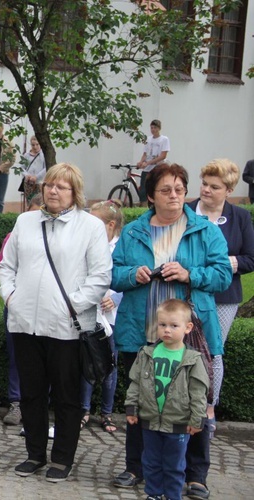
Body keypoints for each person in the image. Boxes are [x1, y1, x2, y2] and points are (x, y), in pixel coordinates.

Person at [110, 163, 231, 499]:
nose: (175, 195)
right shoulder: (134, 231)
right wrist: (133, 274)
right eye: (166, 190)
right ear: (151, 195)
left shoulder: (205, 231)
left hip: (188, 338)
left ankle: (195, 475)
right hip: (142, 332)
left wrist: (190, 273)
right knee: (141, 401)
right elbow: (114, 273)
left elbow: (222, 275)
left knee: (193, 400)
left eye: (179, 188)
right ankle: (135, 467)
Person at [0, 163, 112, 482]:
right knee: (32, 393)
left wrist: (71, 305)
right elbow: (7, 265)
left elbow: (101, 275)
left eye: (61, 186)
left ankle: (62, 458)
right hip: (25, 324)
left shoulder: (89, 226)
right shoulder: (25, 221)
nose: (52, 190)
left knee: (66, 395)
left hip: (67, 327)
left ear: (75, 193)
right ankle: (34, 454)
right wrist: (11, 298)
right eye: (49, 184)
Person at [188, 159, 254, 431]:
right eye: (204, 184)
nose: (206, 190)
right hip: (188, 291)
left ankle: (208, 407)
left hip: (224, 297)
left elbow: (251, 259)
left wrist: (220, 263)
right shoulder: (186, 210)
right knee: (184, 349)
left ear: (228, 190)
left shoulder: (240, 216)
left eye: (215, 187)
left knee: (213, 351)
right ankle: (183, 406)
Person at [125, 299, 208, 500]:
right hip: (150, 421)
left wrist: (197, 419)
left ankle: (172, 495)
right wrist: (131, 407)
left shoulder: (192, 359)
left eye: (173, 325)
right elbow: (135, 382)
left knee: (174, 465)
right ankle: (153, 494)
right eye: (162, 325)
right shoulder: (147, 353)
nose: (167, 330)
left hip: (178, 423)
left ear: (188, 328)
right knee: (151, 461)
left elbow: (198, 392)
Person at [0, 194, 43, 427]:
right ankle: (16, 402)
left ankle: (39, 403)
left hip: (46, 307)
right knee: (17, 355)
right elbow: (5, 266)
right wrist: (10, 297)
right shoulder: (14, 236)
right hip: (18, 305)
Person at [80, 200, 124, 433]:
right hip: (90, 311)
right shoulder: (88, 245)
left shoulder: (121, 247)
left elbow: (130, 278)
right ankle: (84, 409)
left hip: (112, 316)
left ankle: (106, 412)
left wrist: (115, 298)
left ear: (110, 225)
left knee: (109, 363)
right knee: (88, 359)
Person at [136, 119, 170, 203]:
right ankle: (143, 208)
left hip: (158, 167)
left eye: (155, 127)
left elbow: (163, 156)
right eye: (151, 128)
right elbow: (145, 154)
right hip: (147, 168)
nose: (153, 130)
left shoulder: (164, 139)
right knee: (143, 190)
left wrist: (148, 162)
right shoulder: (148, 139)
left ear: (159, 128)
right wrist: (141, 162)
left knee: (156, 188)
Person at [19, 136, 46, 204]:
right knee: (30, 201)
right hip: (28, 182)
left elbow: (45, 168)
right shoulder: (26, 155)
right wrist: (27, 175)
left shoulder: (43, 154)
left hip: (39, 182)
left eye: (37, 144)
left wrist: (37, 177)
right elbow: (21, 168)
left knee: (40, 200)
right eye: (33, 145)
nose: (35, 147)